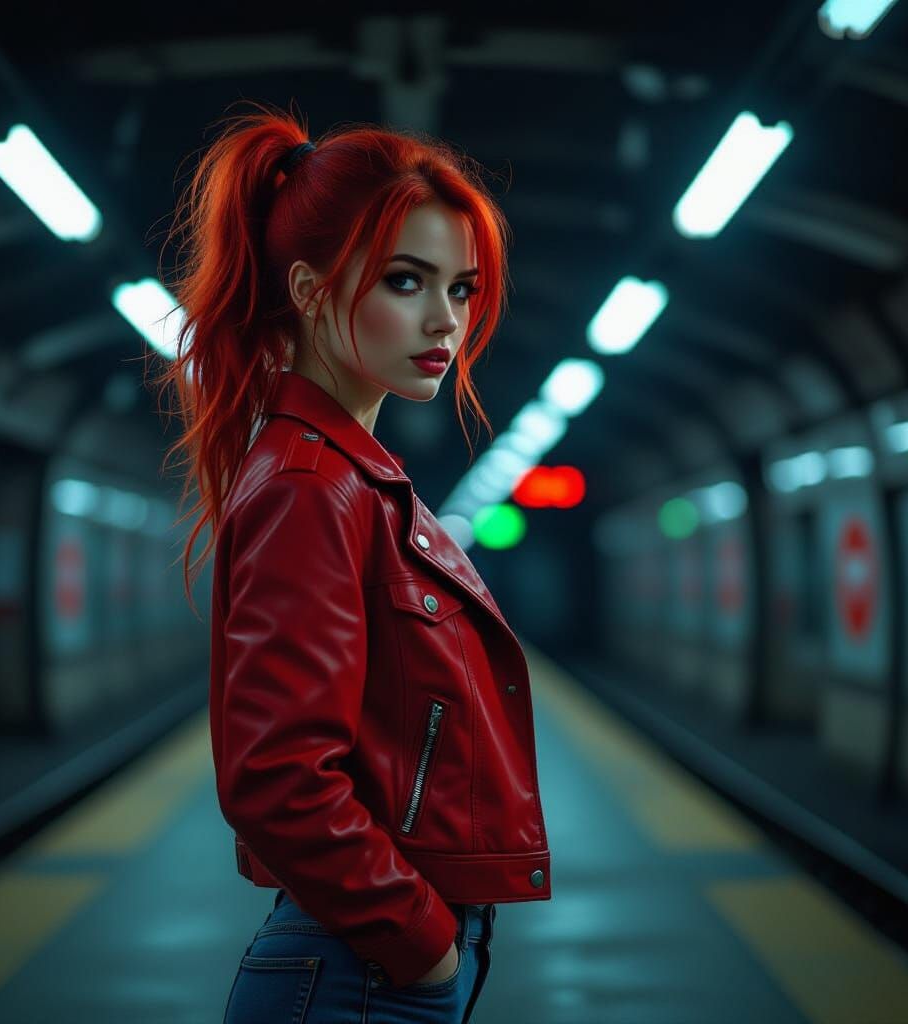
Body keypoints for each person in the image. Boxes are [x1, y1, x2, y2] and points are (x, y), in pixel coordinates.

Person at [149, 99, 551, 1023]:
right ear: (309, 287)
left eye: (463, 288)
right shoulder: (309, 487)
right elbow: (278, 776)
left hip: (362, 969)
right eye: (406, 281)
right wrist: (422, 946)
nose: (444, 321)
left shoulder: (351, 479)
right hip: (359, 975)